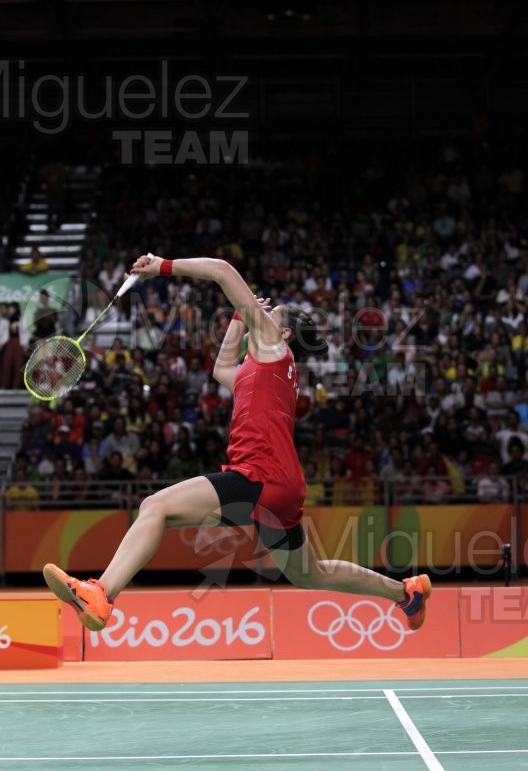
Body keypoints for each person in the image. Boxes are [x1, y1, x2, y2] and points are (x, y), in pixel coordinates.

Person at [43, 254, 431, 632]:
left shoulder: (276, 350)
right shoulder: (261, 371)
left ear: (283, 333)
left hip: (258, 475)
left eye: (270, 314)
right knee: (311, 573)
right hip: (281, 486)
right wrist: (236, 318)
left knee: (154, 506)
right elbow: (221, 369)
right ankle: (406, 592)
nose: (261, 315)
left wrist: (162, 267)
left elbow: (222, 271)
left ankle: (102, 594)